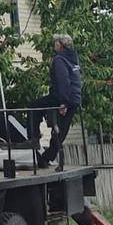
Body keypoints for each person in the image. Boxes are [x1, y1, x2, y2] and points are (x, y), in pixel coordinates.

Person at [28, 33, 82, 168]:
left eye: (56, 42)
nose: (54, 44)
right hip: (74, 98)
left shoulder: (59, 59)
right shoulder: (73, 58)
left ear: (60, 45)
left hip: (62, 96)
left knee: (33, 107)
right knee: (61, 130)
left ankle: (33, 137)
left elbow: (63, 80)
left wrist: (63, 102)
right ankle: (46, 158)